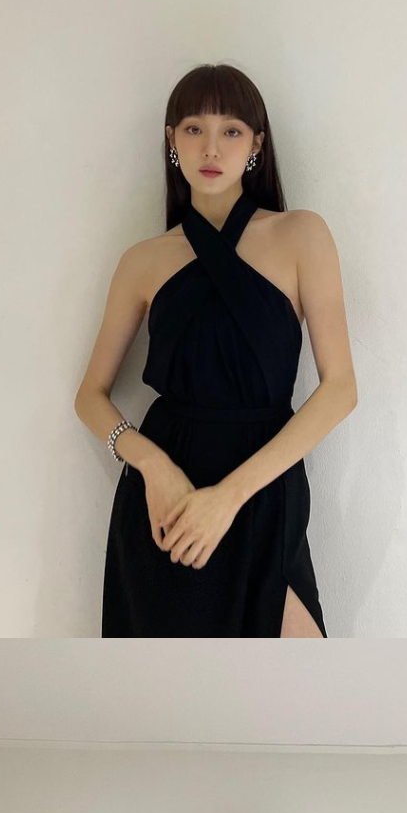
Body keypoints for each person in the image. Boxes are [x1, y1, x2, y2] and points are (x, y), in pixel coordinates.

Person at [74, 61, 357, 638]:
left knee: (300, 674)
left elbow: (341, 390)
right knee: (170, 685)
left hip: (262, 486)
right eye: (193, 128)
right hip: (166, 504)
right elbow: (90, 396)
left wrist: (228, 498)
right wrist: (152, 466)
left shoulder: (301, 235)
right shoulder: (143, 261)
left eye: (231, 130)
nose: (210, 146)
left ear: (257, 145)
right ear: (171, 140)